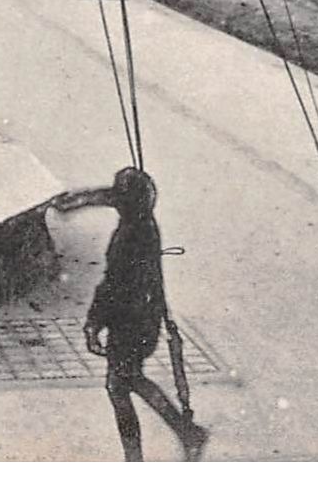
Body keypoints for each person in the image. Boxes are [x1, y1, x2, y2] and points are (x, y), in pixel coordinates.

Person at [84, 167, 208, 462]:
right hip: (143, 320)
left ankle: (142, 456)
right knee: (127, 382)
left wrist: (94, 322)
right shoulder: (146, 227)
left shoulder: (129, 236)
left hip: (128, 323)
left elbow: (113, 283)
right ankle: (183, 434)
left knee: (119, 385)